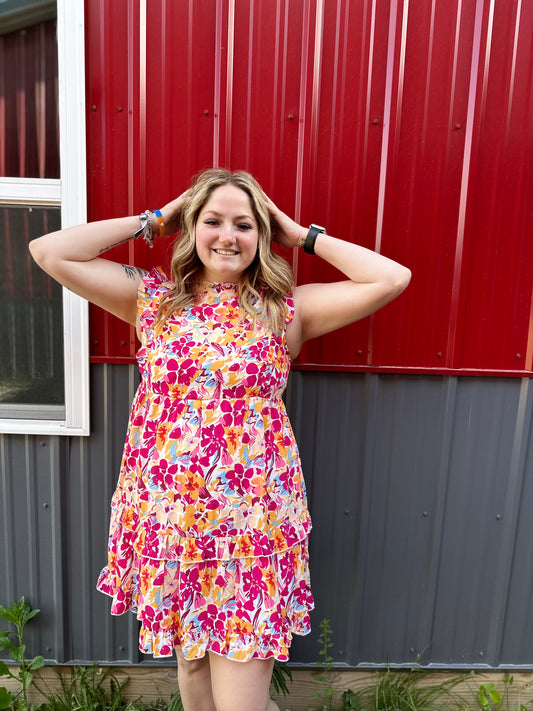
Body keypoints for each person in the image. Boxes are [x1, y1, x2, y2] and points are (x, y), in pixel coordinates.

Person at [29, 168, 411, 711]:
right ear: (191, 227)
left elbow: (391, 278)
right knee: (193, 677)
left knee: (239, 701)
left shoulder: (284, 311)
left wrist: (300, 233)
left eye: (244, 224)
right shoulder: (154, 300)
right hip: (173, 526)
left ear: (263, 236)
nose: (227, 235)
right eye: (212, 220)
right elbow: (50, 251)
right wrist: (157, 216)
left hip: (250, 531)